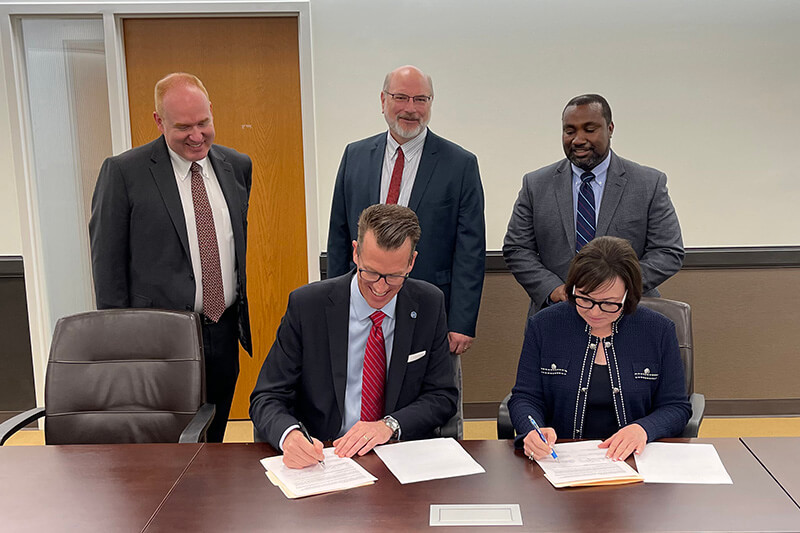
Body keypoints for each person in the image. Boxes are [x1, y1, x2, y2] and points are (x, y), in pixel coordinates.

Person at [89, 72, 252, 443]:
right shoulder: (124, 172)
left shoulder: (237, 166)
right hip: (157, 342)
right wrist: (121, 349)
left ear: (212, 111)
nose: (197, 136)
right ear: (158, 121)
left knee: (214, 440)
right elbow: (107, 266)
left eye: (203, 123)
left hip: (222, 330)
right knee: (164, 449)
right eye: (183, 127)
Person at [251, 204, 457, 468]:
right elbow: (267, 396)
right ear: (356, 253)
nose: (380, 288)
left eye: (394, 276)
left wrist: (389, 426)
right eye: (370, 272)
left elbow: (442, 396)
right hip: (324, 456)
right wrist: (289, 435)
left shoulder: (429, 304)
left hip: (398, 457)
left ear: (411, 262)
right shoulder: (308, 306)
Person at [327, 65, 485, 357]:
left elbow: (470, 250)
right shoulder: (355, 156)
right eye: (401, 97)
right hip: (361, 304)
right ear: (383, 100)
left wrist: (462, 321)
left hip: (430, 307)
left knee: (432, 396)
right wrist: (333, 305)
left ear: (431, 104)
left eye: (421, 100)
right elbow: (339, 236)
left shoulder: (460, 165)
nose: (411, 109)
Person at [508, 236, 690, 461]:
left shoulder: (657, 330)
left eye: (609, 304)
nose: (595, 312)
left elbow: (676, 407)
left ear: (628, 295)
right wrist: (532, 430)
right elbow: (525, 397)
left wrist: (643, 429)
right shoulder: (544, 326)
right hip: (561, 460)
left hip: (634, 459)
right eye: (584, 299)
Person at [503, 94, 684, 317]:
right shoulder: (535, 184)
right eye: (570, 131)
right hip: (556, 314)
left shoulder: (648, 183)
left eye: (589, 129)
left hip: (629, 314)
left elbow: (668, 250)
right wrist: (553, 289)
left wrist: (614, 289)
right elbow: (517, 248)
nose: (578, 139)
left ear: (610, 129)